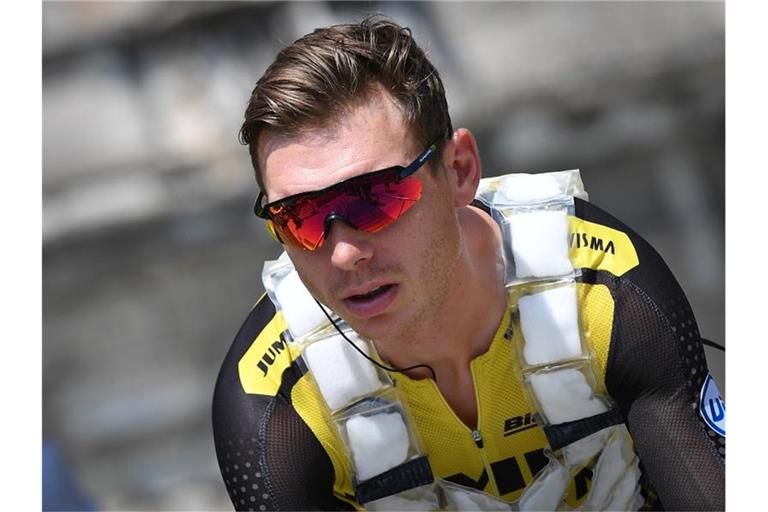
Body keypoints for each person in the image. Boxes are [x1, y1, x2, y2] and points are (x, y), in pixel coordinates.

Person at [212, 16, 724, 511]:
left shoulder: (603, 288)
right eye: (298, 217)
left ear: (459, 170)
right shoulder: (272, 396)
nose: (344, 253)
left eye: (376, 198)